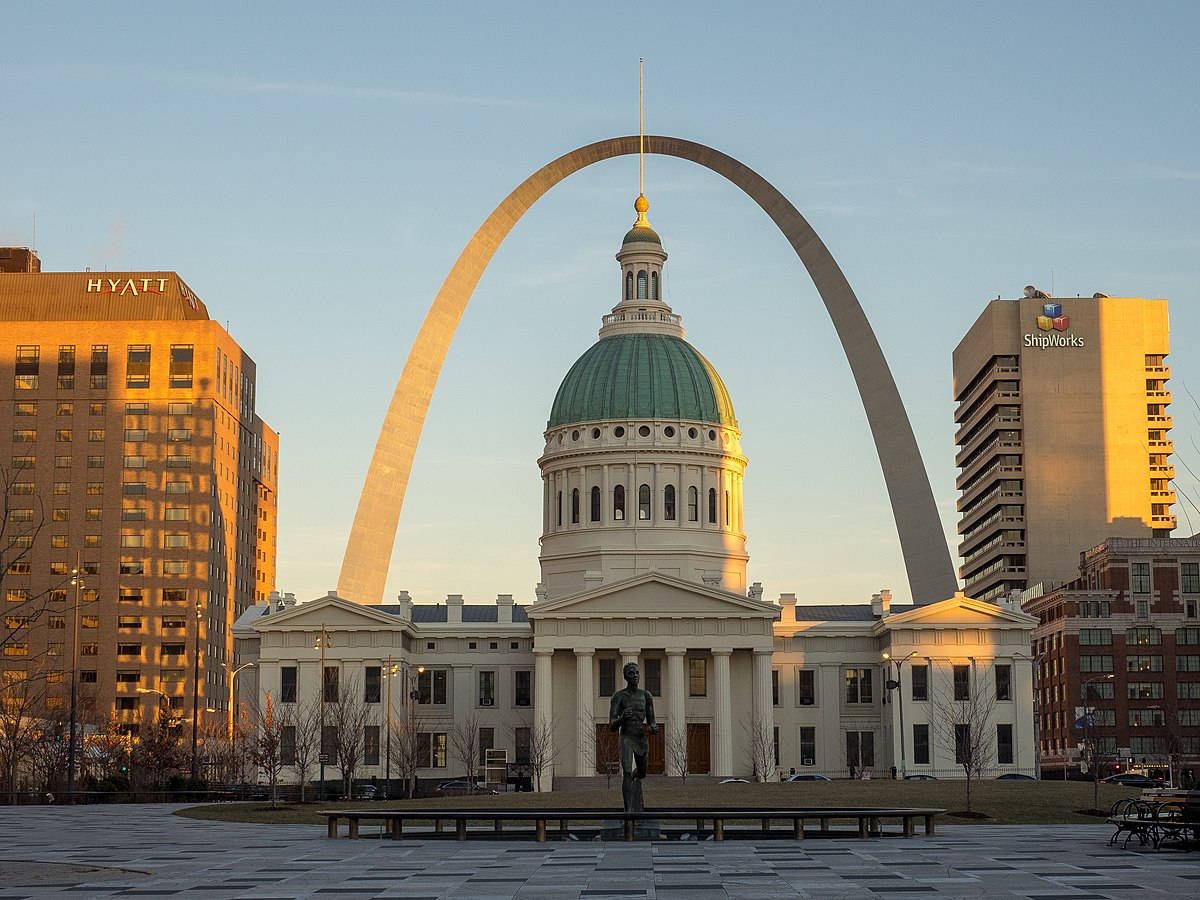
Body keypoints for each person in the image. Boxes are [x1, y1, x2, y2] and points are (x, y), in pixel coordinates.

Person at [609, 661, 657, 815]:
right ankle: (628, 809)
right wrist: (622, 718)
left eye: (637, 673)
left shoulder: (646, 696)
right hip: (626, 737)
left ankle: (633, 788)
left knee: (642, 773)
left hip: (640, 738)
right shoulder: (619, 697)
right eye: (631, 673)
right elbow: (611, 725)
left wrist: (653, 727)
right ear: (625, 677)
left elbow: (652, 720)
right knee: (627, 772)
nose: (635, 676)